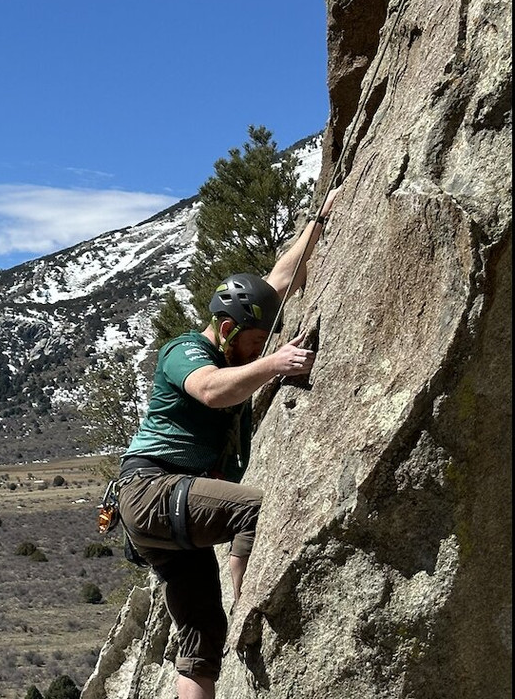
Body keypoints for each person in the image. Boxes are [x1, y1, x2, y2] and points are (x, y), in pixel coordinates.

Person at [117, 189, 338, 699]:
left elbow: (280, 281)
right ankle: (247, 596)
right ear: (225, 329)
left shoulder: (236, 341)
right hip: (151, 490)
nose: (259, 350)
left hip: (168, 514)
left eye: (263, 345)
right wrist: (274, 365)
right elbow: (212, 391)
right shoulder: (185, 350)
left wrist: (317, 224)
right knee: (254, 508)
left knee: (202, 641)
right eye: (254, 343)